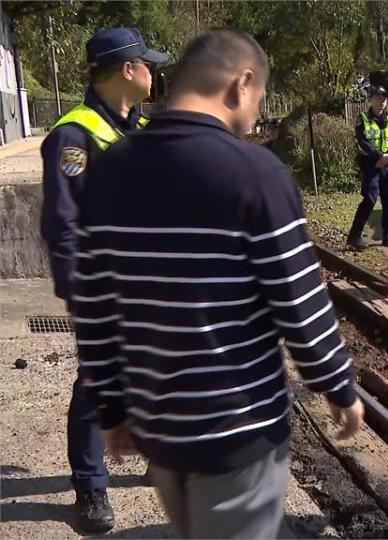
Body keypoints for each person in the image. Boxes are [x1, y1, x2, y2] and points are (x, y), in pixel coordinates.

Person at [72, 30, 363, 538]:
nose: (255, 115)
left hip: (158, 428)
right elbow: (300, 301)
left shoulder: (109, 170)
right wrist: (337, 384)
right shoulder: (255, 173)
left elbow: (94, 309)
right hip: (237, 434)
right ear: (241, 83)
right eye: (260, 98)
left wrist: (112, 404)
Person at [38, 27, 167, 534]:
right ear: (127, 70)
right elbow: (62, 225)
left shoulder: (137, 125)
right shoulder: (75, 136)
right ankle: (91, 486)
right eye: (148, 64)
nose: (154, 72)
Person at [347, 86, 388, 249]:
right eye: (379, 98)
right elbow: (362, 141)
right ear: (372, 99)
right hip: (372, 165)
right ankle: (354, 235)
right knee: (370, 198)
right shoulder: (363, 119)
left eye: (384, 99)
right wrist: (378, 156)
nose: (382, 102)